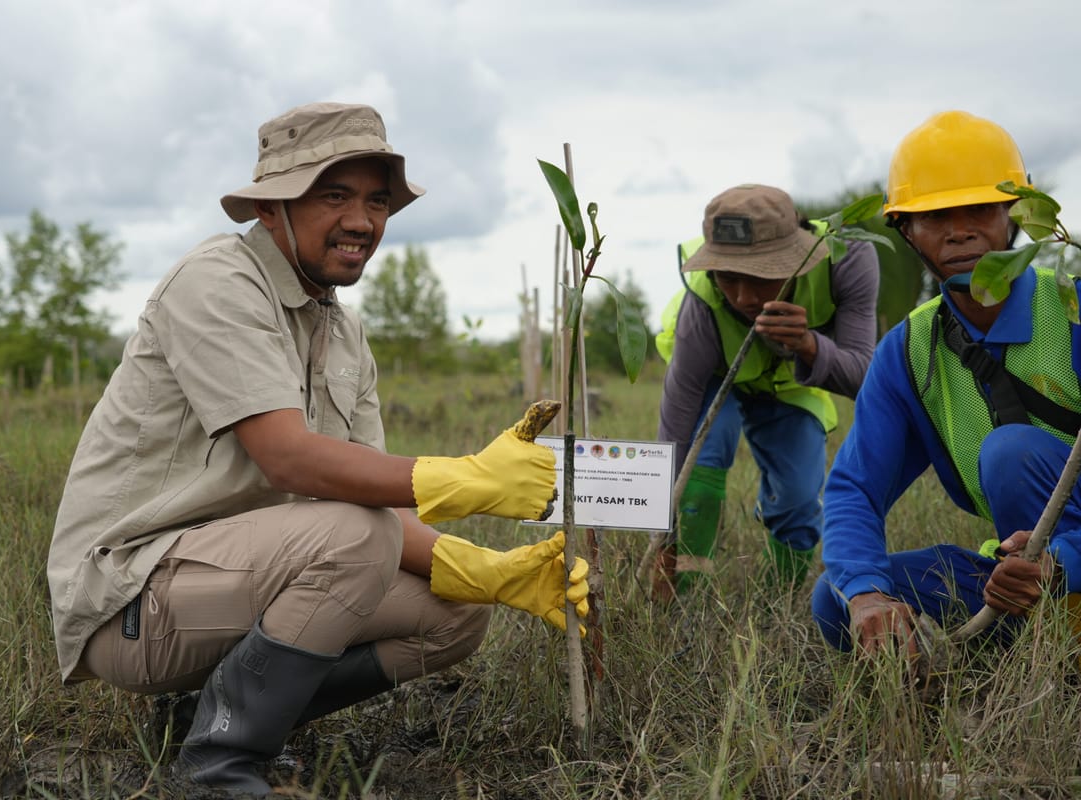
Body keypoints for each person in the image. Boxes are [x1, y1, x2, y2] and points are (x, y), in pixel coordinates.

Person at [46, 102, 589, 796]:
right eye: (334, 195)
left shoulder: (345, 335)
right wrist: (468, 479)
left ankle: (203, 720)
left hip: (236, 579)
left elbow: (367, 501)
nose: (363, 221)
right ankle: (219, 767)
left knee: (452, 613)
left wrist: (491, 570)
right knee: (352, 534)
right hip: (133, 600)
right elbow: (290, 460)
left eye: (376, 201)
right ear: (271, 209)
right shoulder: (216, 282)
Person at [812, 110, 1081, 657]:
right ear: (907, 231)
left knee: (1012, 454)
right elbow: (855, 490)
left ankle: (1057, 639)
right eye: (935, 216)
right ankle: (1032, 636)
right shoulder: (908, 351)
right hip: (1024, 578)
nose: (959, 230)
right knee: (835, 600)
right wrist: (866, 597)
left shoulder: (1072, 311)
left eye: (979, 209)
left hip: (1062, 565)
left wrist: (1061, 563)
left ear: (1015, 215)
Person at [654, 184, 879, 598]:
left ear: (795, 259)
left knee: (796, 496)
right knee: (698, 475)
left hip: (791, 375)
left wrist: (809, 346)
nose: (741, 297)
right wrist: (661, 537)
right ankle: (687, 589)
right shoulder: (702, 306)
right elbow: (677, 430)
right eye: (727, 276)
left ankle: (780, 596)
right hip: (714, 375)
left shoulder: (846, 263)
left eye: (759, 277)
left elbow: (865, 375)